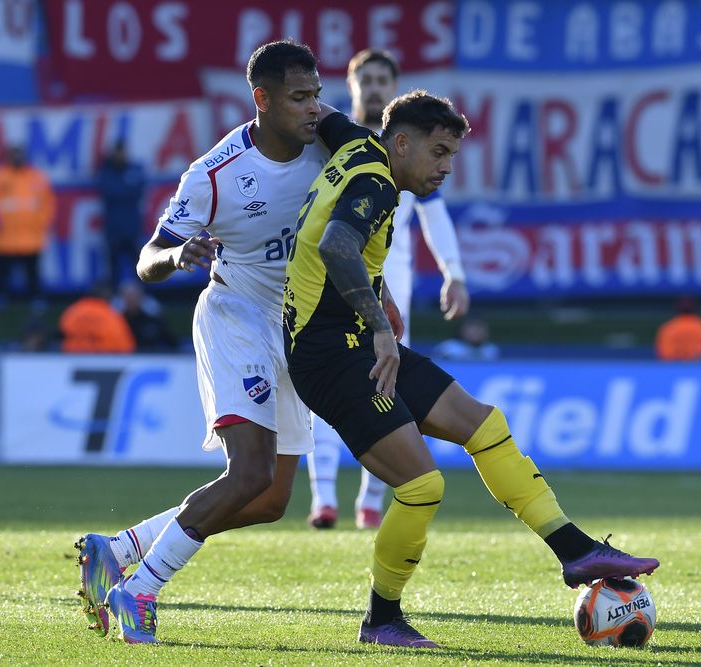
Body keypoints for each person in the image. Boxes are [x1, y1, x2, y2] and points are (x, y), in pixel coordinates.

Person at [283, 90, 660, 648]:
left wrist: (375, 301)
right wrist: (382, 322)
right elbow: (338, 244)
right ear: (402, 142)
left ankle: (576, 550)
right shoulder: (378, 183)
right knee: (421, 486)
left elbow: (326, 120)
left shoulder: (358, 143)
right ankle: (382, 620)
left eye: (452, 156)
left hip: (353, 342)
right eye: (437, 153)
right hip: (332, 356)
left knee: (484, 424)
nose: (445, 168)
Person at [72, 40, 331, 644]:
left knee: (270, 500)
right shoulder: (215, 173)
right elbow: (146, 258)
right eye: (300, 97)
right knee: (248, 475)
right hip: (236, 318)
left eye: (317, 94)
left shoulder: (330, 147)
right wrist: (175, 254)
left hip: (297, 328)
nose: (313, 107)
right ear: (261, 100)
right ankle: (137, 593)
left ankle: (120, 549)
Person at [306, 49, 470, 531]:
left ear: (394, 84)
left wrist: (453, 271)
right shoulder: (333, 141)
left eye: (384, 78)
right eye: (367, 79)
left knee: (386, 386)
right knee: (325, 386)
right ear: (353, 86)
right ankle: (322, 499)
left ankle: (370, 502)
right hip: (333, 280)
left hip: (389, 288)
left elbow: (434, 214)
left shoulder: (413, 150)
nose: (375, 87)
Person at [0, 145, 56, 307]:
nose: (18, 158)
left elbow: (48, 202)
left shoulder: (37, 176)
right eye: (15, 154)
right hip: (5, 235)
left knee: (33, 271)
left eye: (20, 154)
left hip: (31, 235)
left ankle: (36, 297)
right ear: (9, 156)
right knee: (2, 270)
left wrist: (43, 222)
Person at [96, 140, 146, 287]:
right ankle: (115, 298)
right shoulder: (106, 171)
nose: (120, 156)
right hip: (114, 228)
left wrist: (121, 190)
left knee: (140, 267)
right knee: (113, 269)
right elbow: (108, 191)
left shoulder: (134, 169)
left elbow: (138, 190)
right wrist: (126, 189)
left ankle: (142, 298)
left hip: (132, 227)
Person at [59, 282, 136, 354]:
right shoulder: (111, 315)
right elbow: (126, 346)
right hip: (106, 361)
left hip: (72, 359)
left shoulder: (73, 311)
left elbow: (62, 334)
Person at [115, 279, 177, 352]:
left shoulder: (153, 320)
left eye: (134, 296)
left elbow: (172, 342)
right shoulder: (116, 322)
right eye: (128, 296)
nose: (131, 299)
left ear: (141, 297)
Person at [432, 315, 500, 361]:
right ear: (461, 330)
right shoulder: (448, 348)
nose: (476, 332)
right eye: (471, 328)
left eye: (480, 328)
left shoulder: (491, 349)